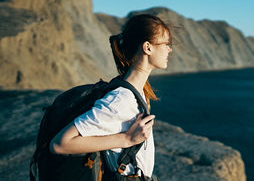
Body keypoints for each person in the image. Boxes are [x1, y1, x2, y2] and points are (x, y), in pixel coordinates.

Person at [50, 14, 173, 180]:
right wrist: (126, 139)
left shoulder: (136, 90)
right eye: (166, 44)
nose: (169, 49)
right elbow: (60, 144)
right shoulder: (121, 99)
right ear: (147, 47)